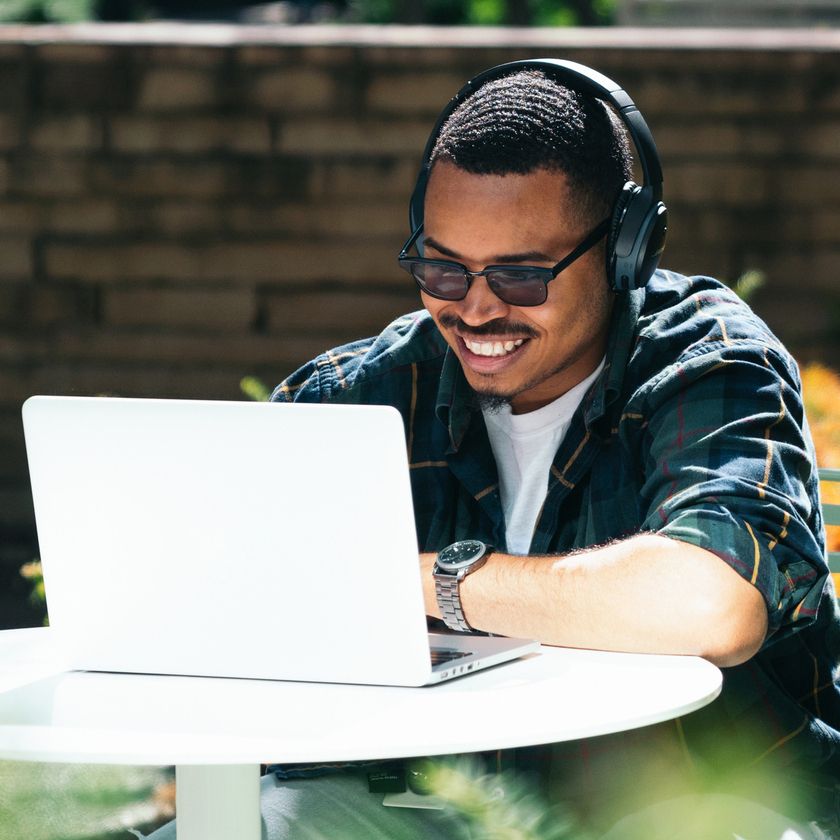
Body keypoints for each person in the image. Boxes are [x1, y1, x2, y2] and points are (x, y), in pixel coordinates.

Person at [147, 60, 840, 839]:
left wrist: (426, 584)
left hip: (694, 802)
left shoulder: (707, 360)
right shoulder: (350, 396)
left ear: (624, 252)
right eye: (442, 266)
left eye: (520, 275)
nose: (475, 307)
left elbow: (713, 603)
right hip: (424, 808)